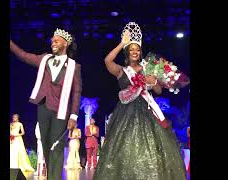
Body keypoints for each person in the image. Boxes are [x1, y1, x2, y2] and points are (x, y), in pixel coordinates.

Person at [93, 22, 187, 180]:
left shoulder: (147, 68)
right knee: (124, 147)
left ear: (140, 52)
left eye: (137, 50)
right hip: (125, 114)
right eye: (131, 50)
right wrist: (122, 43)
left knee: (151, 146)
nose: (135, 52)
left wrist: (154, 81)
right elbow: (107, 61)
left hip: (147, 111)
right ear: (127, 53)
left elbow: (157, 91)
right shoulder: (121, 71)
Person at [10, 28, 82, 180]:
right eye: (52, 41)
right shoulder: (45, 59)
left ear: (66, 43)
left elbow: (76, 92)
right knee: (47, 146)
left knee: (57, 147)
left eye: (56, 41)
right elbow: (23, 55)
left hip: (61, 111)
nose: (53, 44)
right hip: (43, 107)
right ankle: (51, 176)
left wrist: (74, 116)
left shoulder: (74, 67)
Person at [10, 114, 35, 179]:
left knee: (17, 151)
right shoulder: (11, 124)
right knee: (11, 151)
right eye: (13, 117)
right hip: (11, 138)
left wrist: (17, 134)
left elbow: (23, 132)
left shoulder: (20, 124)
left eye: (15, 117)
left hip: (18, 139)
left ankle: (18, 165)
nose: (14, 118)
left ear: (18, 118)